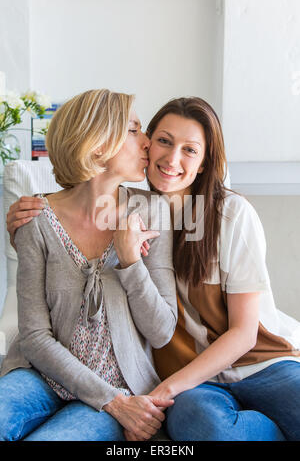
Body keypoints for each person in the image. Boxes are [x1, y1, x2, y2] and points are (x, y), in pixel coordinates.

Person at [7, 96, 300, 442]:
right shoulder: (57, 216)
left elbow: (240, 332)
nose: (166, 155)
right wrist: (27, 226)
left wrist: (156, 395)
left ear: (205, 162)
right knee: (205, 426)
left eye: (190, 150)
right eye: (160, 139)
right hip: (188, 380)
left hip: (255, 363)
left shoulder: (222, 215)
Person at [0, 89, 177, 442]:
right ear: (97, 144)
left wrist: (130, 261)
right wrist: (111, 402)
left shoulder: (152, 211)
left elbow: (161, 331)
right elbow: (35, 337)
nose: (147, 143)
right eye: (134, 130)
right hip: (40, 376)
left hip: (120, 383)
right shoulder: (36, 217)